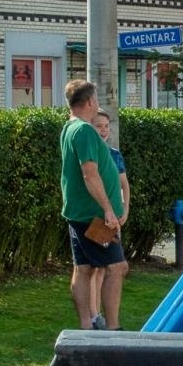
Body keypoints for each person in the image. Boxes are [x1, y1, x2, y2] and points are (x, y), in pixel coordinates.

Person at [61, 80, 127, 331]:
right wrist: (109, 209)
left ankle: (86, 327)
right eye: (96, 99)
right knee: (116, 267)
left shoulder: (69, 128)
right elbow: (90, 173)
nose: (97, 102)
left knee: (84, 268)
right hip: (94, 216)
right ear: (89, 102)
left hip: (78, 212)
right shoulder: (85, 131)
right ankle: (113, 328)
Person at [85, 109, 130, 330]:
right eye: (98, 126)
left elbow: (124, 184)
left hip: (114, 217)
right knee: (97, 267)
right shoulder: (89, 154)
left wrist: (125, 207)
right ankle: (95, 316)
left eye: (105, 126)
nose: (103, 130)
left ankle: (102, 317)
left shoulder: (114, 154)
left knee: (109, 267)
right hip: (97, 217)